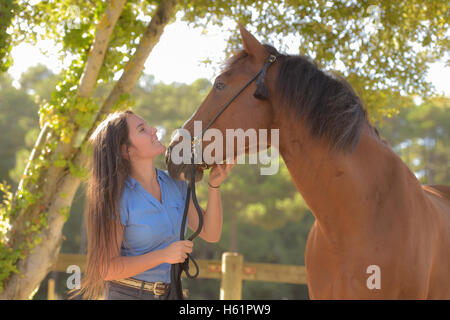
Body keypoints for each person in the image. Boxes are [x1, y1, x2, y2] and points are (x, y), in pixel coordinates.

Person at [73, 110, 235, 300]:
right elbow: (108, 269)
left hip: (172, 293)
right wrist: (163, 255)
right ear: (126, 150)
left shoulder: (176, 183)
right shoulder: (117, 198)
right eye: (142, 129)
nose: (154, 130)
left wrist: (214, 185)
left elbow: (211, 233)